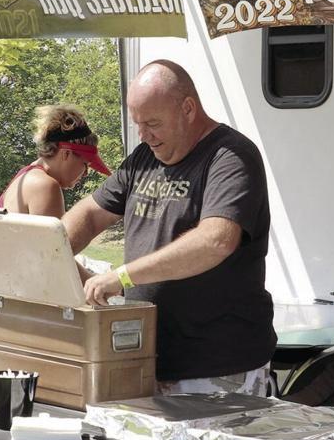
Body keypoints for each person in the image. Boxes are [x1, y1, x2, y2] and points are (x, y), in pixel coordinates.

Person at [62, 60, 276, 394]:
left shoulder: (231, 157)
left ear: (188, 108)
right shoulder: (143, 158)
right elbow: (90, 214)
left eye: (152, 123)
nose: (144, 135)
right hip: (147, 359)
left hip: (217, 368)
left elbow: (215, 241)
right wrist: (48, 251)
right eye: (137, 124)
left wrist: (123, 276)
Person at [0, 104, 110, 356]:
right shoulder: (45, 186)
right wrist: (97, 285)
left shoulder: (27, 175)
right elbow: (54, 258)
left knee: (5, 387)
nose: (86, 173)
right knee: (16, 387)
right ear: (66, 153)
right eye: (85, 163)